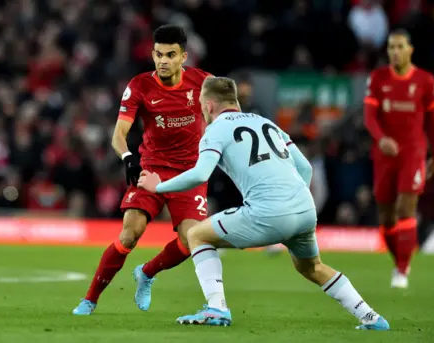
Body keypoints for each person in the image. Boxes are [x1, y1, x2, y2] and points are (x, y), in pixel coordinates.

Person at [137, 76, 390, 330]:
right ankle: (371, 317)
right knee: (312, 267)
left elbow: (200, 174)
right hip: (304, 208)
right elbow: (305, 168)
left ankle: (216, 308)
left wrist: (157, 187)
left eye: (202, 103)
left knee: (197, 235)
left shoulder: (215, 130)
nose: (201, 108)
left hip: (268, 212)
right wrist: (290, 203)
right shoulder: (267, 122)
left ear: (210, 104)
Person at [72, 25, 212, 315]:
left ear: (184, 56)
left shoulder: (204, 83)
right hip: (151, 170)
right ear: (152, 54)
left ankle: (146, 273)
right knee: (129, 234)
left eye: (170, 55)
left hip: (190, 173)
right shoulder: (139, 85)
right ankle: (90, 299)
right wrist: (127, 157)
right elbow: (118, 133)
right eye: (158, 54)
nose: (163, 60)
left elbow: (224, 118)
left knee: (191, 240)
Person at [363, 29, 434, 289]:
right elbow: (369, 117)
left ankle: (402, 269)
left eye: (400, 47)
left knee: (406, 208)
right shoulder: (378, 78)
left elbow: (432, 122)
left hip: (413, 153)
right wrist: (381, 138)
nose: (395, 52)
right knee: (386, 217)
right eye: (391, 47)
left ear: (410, 49)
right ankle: (400, 260)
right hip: (384, 155)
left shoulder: (426, 81)